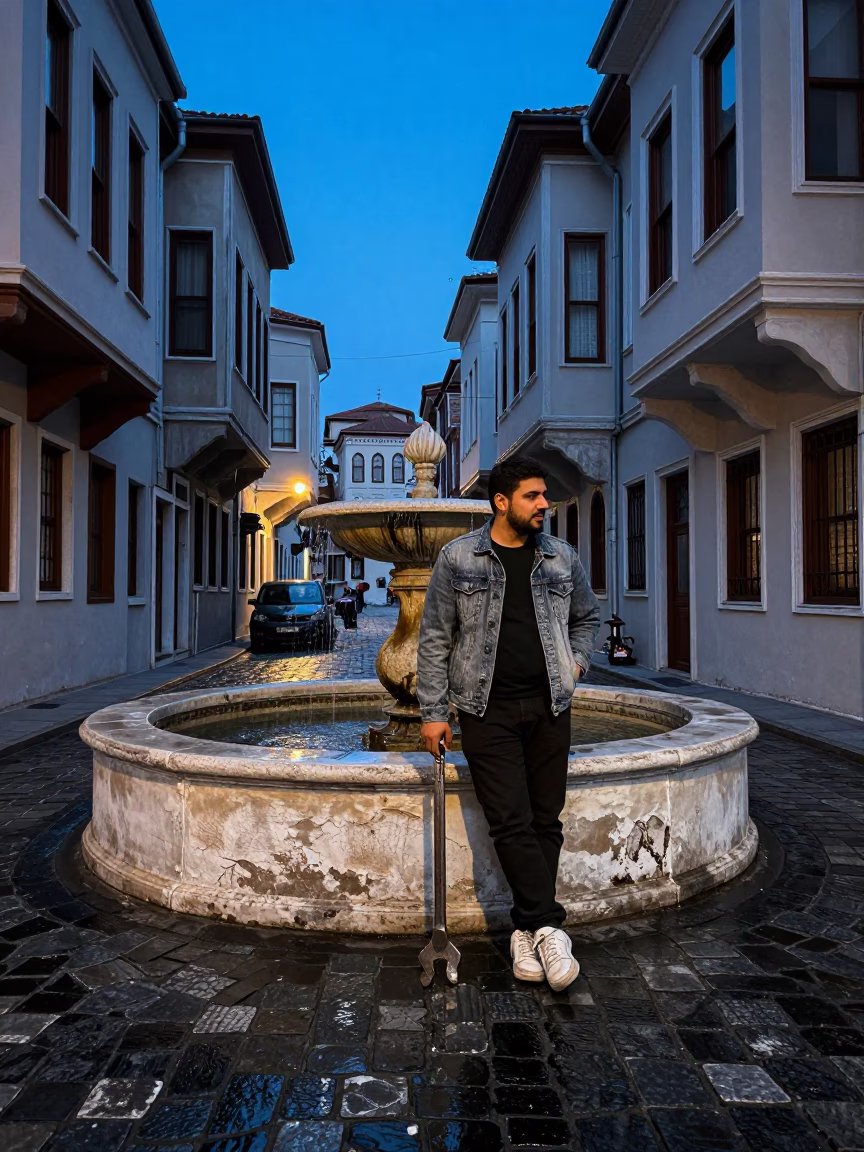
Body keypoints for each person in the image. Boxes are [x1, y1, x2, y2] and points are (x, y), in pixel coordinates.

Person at [416, 456, 599, 991]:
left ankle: (526, 930)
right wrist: (433, 712)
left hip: (551, 706)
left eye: (544, 495)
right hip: (485, 709)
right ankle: (551, 927)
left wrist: (575, 665)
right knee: (511, 821)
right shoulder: (458, 558)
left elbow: (586, 618)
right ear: (501, 502)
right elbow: (435, 638)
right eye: (532, 496)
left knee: (546, 819)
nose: (545, 504)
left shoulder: (561, 557)